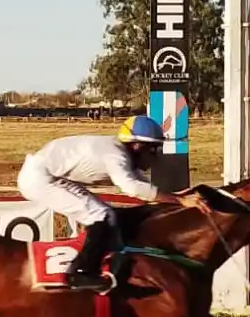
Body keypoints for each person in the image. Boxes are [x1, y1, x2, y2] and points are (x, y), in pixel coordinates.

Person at [17, 114, 195, 291]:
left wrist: (175, 197)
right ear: (137, 145)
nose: (156, 157)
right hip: (39, 178)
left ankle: (102, 263)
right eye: (154, 150)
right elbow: (131, 187)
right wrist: (179, 200)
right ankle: (80, 272)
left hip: (47, 173)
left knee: (107, 216)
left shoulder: (121, 152)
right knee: (100, 215)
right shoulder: (115, 155)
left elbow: (143, 185)